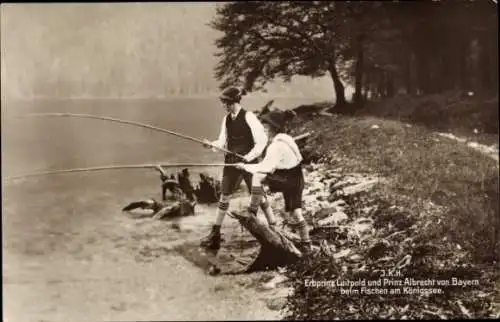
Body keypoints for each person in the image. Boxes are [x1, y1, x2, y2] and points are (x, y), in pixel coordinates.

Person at [200, 87, 277, 251]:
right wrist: (211, 145)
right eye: (223, 102)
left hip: (249, 163)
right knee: (224, 197)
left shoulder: (249, 117)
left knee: (259, 196)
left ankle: (275, 229)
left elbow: (262, 140)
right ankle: (215, 234)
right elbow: (222, 142)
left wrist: (248, 158)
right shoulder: (226, 119)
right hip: (231, 163)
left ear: (233, 102)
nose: (224, 105)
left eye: (225, 102)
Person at [235, 109, 313, 254]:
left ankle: (252, 210)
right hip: (297, 177)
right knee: (296, 213)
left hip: (287, 179)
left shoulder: (275, 146)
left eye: (266, 127)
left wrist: (244, 166)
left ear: (274, 128)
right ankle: (306, 244)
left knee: (257, 177)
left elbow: (265, 167)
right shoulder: (286, 138)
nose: (263, 130)